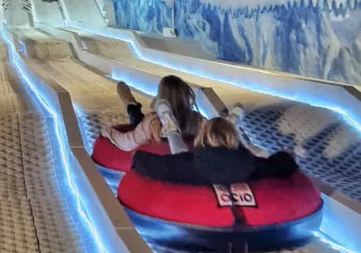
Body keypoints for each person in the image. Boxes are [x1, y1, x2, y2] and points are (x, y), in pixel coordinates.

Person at [132, 116, 298, 185]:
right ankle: (233, 119)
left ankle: (171, 127)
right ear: (233, 139)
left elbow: (157, 164)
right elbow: (279, 164)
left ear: (203, 138)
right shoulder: (251, 164)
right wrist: (287, 155)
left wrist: (137, 155)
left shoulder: (191, 163)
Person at [107, 76, 203, 151]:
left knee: (136, 117)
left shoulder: (152, 123)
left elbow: (127, 142)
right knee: (138, 117)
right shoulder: (197, 120)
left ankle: (130, 102)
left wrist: (108, 133)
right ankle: (131, 102)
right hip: (156, 129)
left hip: (147, 128)